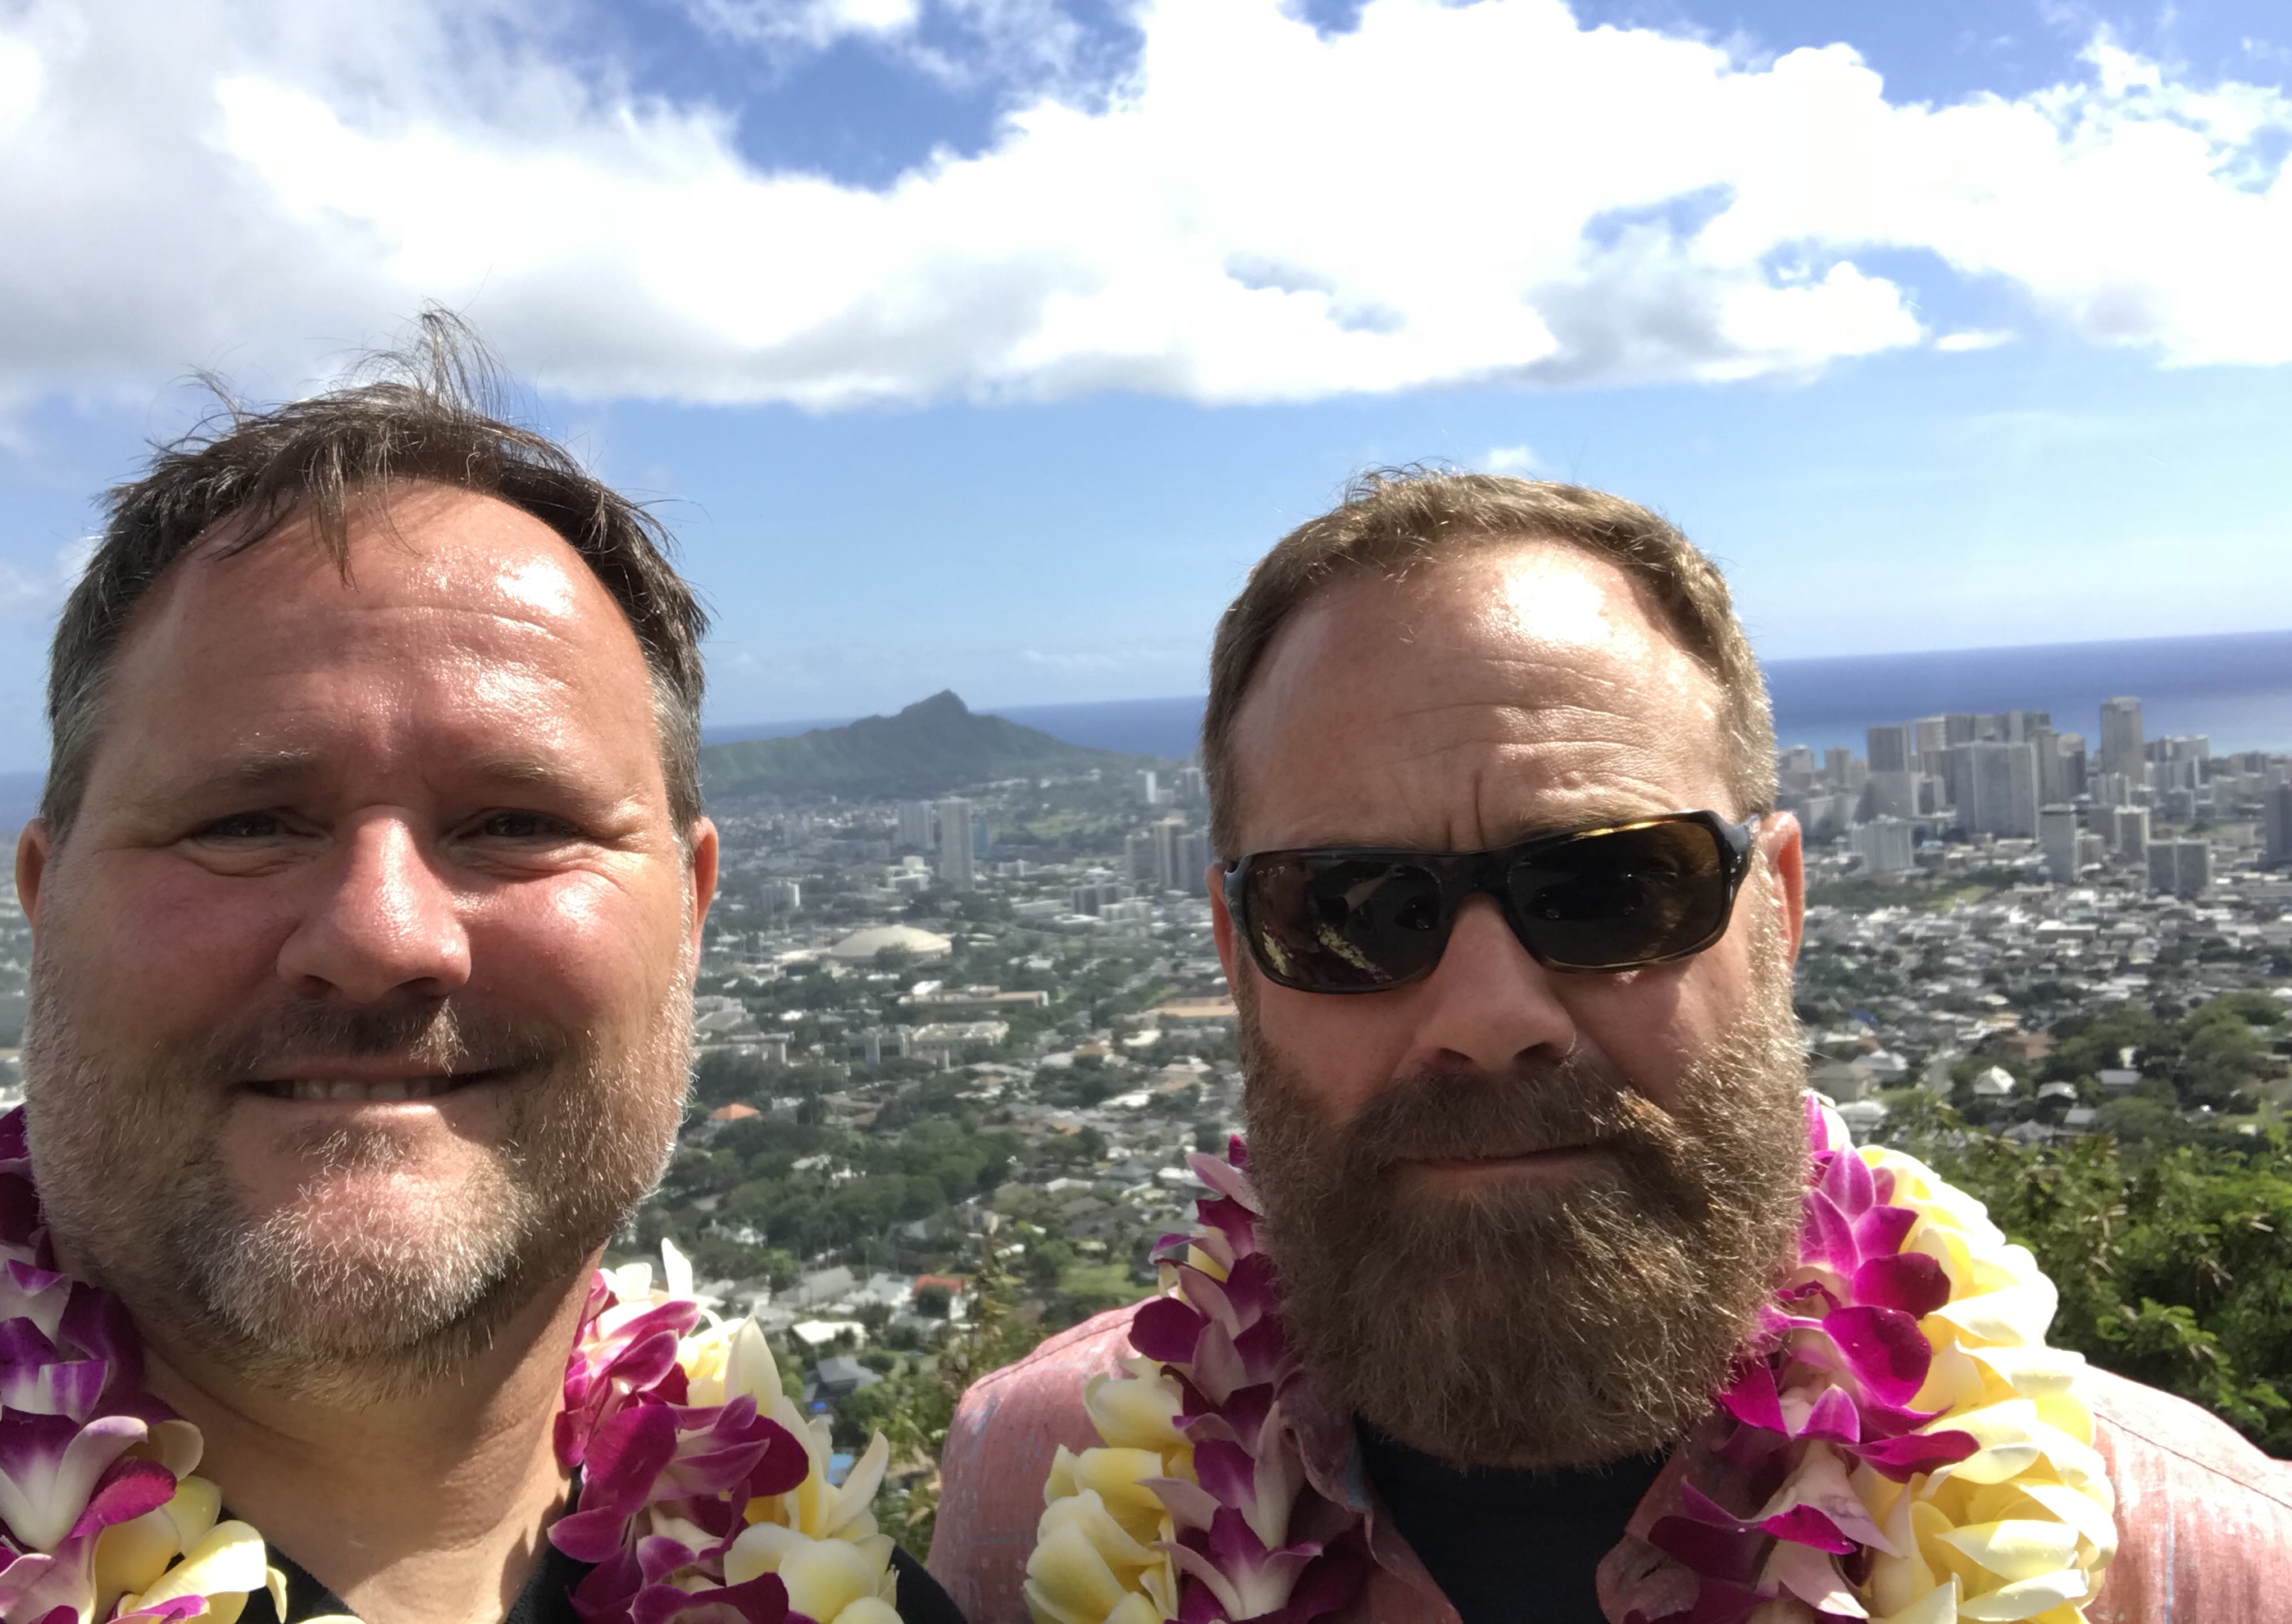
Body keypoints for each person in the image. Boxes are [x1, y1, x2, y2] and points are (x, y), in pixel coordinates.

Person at [928, 471, 2290, 1624]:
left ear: (1780, 909)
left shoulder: (2205, 1568)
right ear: (1239, 958)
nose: (1489, 1014)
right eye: (1350, 912)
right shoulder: (1021, 1508)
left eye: (1611, 888)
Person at [0, 325, 967, 1624]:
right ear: (46, 902)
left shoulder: (845, 1594)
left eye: (515, 823)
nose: (383, 935)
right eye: (244, 823)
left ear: (690, 910)